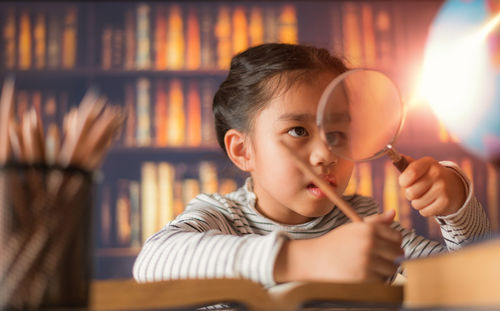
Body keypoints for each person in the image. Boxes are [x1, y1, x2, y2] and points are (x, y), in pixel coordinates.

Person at [133, 43, 491, 286]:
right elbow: (152, 264)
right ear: (243, 151)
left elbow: (472, 280)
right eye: (298, 130)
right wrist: (303, 259)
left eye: (338, 131)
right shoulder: (221, 219)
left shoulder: (365, 227)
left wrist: (457, 205)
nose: (325, 154)